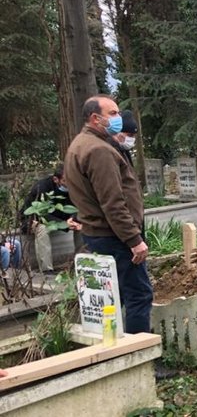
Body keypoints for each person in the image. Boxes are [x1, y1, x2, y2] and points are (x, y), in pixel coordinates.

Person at [64, 95, 152, 334]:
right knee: (139, 295)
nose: (118, 118)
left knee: (114, 296)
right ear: (95, 118)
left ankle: (112, 347)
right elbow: (112, 203)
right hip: (115, 237)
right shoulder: (99, 150)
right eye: (113, 114)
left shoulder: (80, 144)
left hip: (100, 234)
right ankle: (138, 356)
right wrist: (134, 240)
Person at [17, 165, 81, 273]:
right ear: (56, 179)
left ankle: (80, 263)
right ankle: (46, 270)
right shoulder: (42, 187)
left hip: (60, 218)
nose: (70, 183)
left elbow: (77, 206)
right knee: (42, 228)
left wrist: (73, 218)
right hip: (34, 218)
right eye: (66, 181)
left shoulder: (73, 187)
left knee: (80, 227)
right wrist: (64, 224)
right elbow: (42, 214)